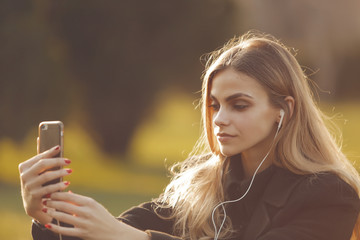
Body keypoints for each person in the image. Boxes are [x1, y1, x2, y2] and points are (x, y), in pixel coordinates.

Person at [19, 31, 360, 240]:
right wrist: (48, 217)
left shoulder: (330, 196)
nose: (220, 119)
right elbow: (103, 233)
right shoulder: (199, 187)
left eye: (239, 105)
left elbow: (120, 235)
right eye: (214, 105)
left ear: (283, 110)